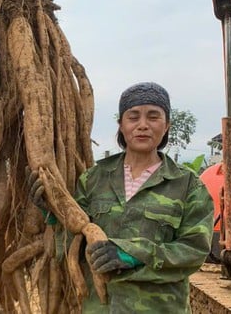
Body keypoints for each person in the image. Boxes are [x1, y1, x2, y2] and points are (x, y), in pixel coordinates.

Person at [28, 82, 214, 313]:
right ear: (121, 125)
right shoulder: (94, 179)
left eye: (153, 117)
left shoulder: (188, 186)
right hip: (100, 307)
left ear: (166, 126)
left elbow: (193, 251)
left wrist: (134, 255)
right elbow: (72, 245)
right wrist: (54, 214)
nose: (143, 125)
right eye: (133, 117)